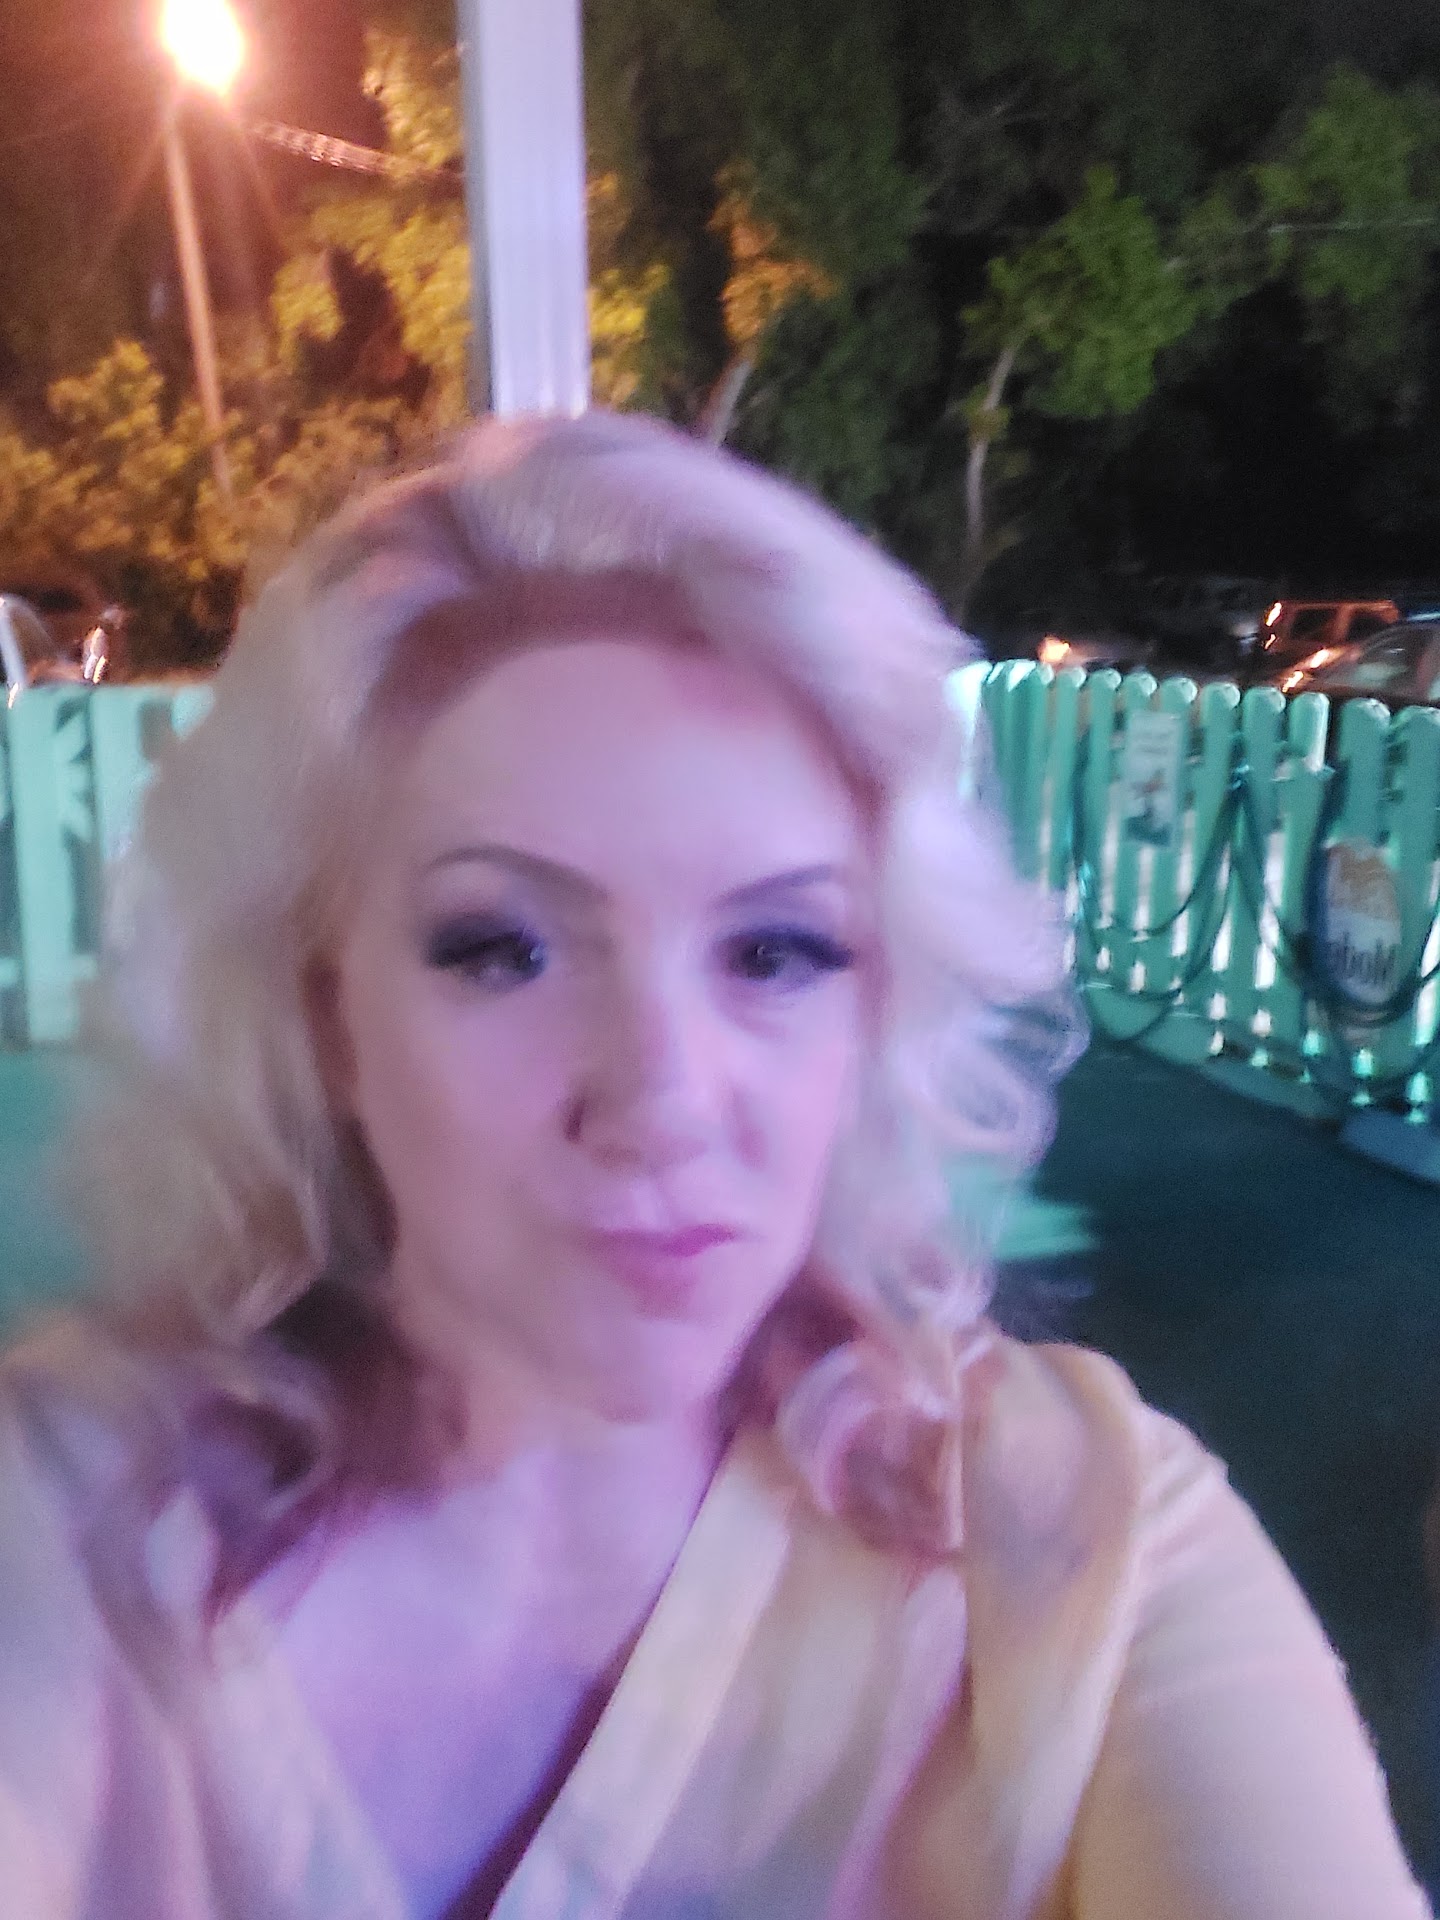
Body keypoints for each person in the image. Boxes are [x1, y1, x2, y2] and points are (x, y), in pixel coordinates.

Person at [0, 410, 1427, 1920]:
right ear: (325, 1016)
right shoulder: (61, 1520)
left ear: (876, 1007)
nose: (666, 1103)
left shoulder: (1074, 1547)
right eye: (503, 948)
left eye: (775, 951)